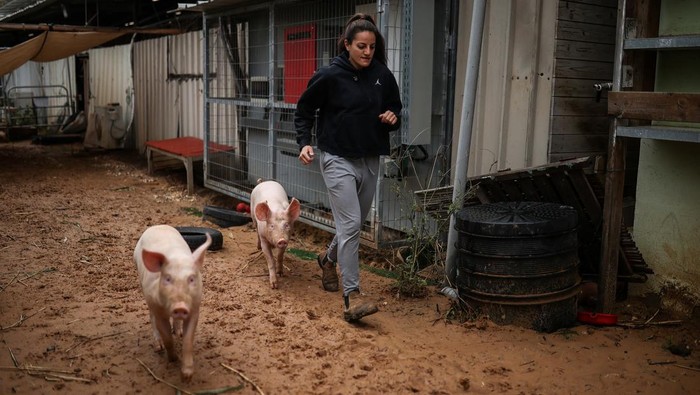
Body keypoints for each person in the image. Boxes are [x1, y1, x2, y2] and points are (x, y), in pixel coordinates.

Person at [295, 13, 403, 322]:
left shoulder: (382, 74)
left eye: (371, 47)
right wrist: (304, 142)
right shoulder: (330, 75)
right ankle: (352, 295)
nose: (367, 52)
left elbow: (395, 109)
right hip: (337, 158)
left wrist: (392, 118)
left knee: (351, 226)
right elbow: (304, 109)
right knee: (352, 224)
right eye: (361, 46)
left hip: (369, 159)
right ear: (347, 45)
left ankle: (327, 260)